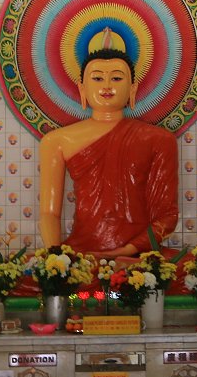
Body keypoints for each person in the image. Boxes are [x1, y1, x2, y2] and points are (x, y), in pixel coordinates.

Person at [38, 28, 180, 260]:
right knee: (24, 276)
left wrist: (127, 251)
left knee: (190, 270)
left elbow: (167, 216)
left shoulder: (159, 140)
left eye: (116, 78)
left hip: (138, 256)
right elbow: (48, 212)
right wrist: (57, 261)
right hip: (82, 254)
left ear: (132, 89)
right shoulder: (56, 141)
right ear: (82, 89)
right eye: (97, 78)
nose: (106, 85)